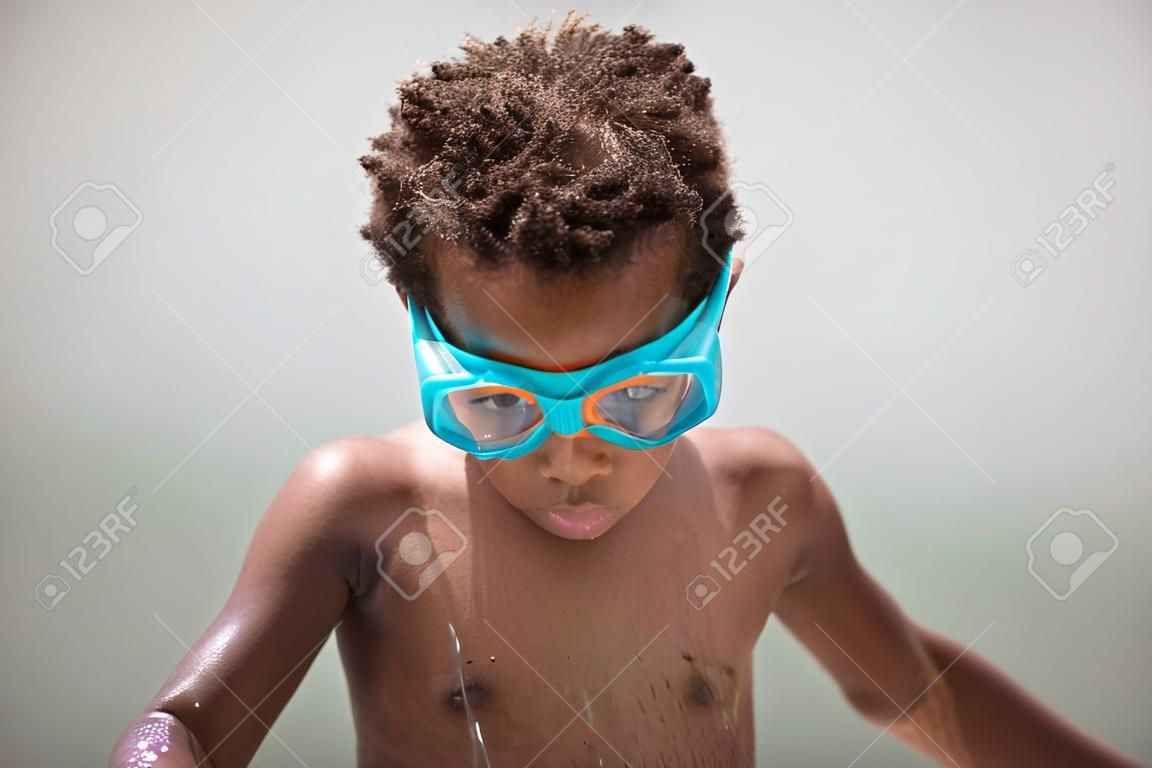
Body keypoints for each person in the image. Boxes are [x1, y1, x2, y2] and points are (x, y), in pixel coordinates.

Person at [109, 14, 1143, 767]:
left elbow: (908, 685)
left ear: (718, 308)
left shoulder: (762, 506)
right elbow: (195, 724)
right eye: (499, 404)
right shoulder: (366, 515)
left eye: (639, 399)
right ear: (421, 327)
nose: (571, 455)